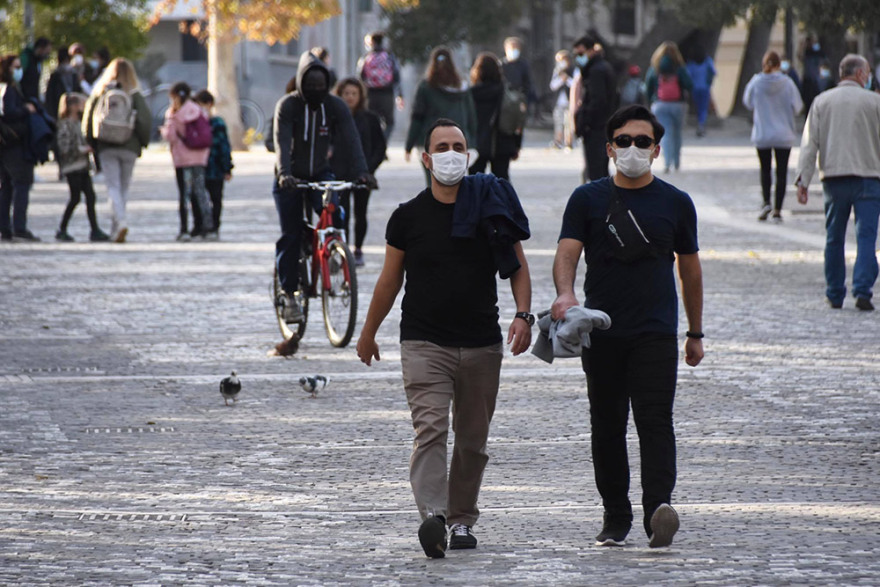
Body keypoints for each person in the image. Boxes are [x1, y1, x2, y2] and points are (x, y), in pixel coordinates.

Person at [356, 118, 533, 559]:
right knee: (431, 429)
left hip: (481, 343)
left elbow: (517, 264)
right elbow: (389, 280)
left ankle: (461, 520)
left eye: (458, 146)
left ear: (468, 156)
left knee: (472, 441)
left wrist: (523, 315)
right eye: (442, 147)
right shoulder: (407, 217)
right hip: (424, 343)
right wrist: (368, 331)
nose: (451, 154)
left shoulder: (490, 208)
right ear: (426, 158)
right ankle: (433, 518)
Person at [552, 104, 704, 549]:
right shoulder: (586, 199)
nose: (632, 148)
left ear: (656, 150)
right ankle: (615, 516)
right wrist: (565, 293)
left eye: (642, 141)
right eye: (624, 141)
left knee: (656, 422)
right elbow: (567, 252)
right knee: (607, 426)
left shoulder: (676, 202)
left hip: (656, 332)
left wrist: (695, 333)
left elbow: (690, 270)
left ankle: (659, 510)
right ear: (609, 148)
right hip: (602, 332)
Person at [272, 51, 372, 355]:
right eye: (310, 85)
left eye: (321, 85)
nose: (316, 89)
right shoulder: (288, 105)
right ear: (301, 83)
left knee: (335, 211)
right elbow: (281, 141)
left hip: (320, 172)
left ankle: (333, 253)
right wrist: (284, 173)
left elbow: (352, 140)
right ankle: (290, 292)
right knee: (291, 234)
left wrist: (363, 172)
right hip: (290, 175)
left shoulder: (335, 105)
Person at [795, 54, 880, 312]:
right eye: (867, 72)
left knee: (834, 237)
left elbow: (809, 144)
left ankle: (834, 292)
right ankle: (862, 289)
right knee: (866, 237)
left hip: (834, 178)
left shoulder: (822, 101)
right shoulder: (875, 102)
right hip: (869, 177)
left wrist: (803, 180)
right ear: (860, 74)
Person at [82, 57, 152, 243]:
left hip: (106, 145)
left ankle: (119, 223)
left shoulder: (101, 92)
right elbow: (144, 120)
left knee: (112, 187)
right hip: (129, 146)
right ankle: (119, 224)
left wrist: (91, 142)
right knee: (123, 188)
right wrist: (142, 142)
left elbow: (88, 117)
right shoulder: (134, 94)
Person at [331, 77, 386, 266]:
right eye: (346, 93)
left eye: (354, 93)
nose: (350, 97)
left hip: (363, 174)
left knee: (360, 213)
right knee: (341, 213)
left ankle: (359, 249)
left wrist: (369, 168)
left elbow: (380, 147)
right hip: (339, 174)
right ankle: (343, 249)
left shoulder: (370, 119)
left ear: (361, 96)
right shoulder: (333, 118)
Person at [743, 50, 803, 222]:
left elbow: (747, 102)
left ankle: (766, 202)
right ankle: (777, 209)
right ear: (779, 64)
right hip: (784, 134)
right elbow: (798, 106)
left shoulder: (756, 82)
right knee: (781, 172)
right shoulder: (788, 83)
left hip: (763, 134)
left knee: (765, 169)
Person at [405, 46, 477, 186]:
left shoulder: (425, 87)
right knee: (456, 183)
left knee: (433, 183)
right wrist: (472, 142)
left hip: (430, 141)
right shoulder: (462, 88)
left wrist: (409, 145)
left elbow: (417, 117)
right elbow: (471, 117)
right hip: (458, 142)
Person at [161, 82, 215, 241]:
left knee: (184, 194)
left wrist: (163, 131)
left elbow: (170, 136)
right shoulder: (198, 110)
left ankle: (184, 229)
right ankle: (207, 227)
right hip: (200, 157)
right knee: (200, 192)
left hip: (182, 159)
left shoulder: (174, 113)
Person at [53, 93, 109, 242]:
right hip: (72, 167)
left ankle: (94, 230)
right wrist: (81, 149)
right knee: (75, 198)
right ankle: (62, 229)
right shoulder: (65, 124)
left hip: (83, 166)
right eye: (79, 104)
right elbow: (64, 147)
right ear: (72, 106)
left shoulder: (80, 122)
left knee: (90, 196)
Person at [0, 54, 40, 242]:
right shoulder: (8, 89)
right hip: (13, 143)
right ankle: (19, 227)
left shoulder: (6, 88)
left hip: (6, 144)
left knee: (6, 186)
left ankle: (5, 227)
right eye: (15, 67)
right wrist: (26, 109)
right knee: (21, 184)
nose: (19, 70)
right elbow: (9, 112)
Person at [570, 35, 617, 182]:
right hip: (603, 124)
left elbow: (597, 100)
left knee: (596, 169)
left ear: (591, 50)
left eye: (581, 53)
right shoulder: (601, 67)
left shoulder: (596, 71)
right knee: (600, 168)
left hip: (596, 126)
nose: (579, 57)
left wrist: (585, 121)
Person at [468, 52, 519, 181]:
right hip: (502, 142)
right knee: (502, 182)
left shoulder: (471, 94)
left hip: (477, 143)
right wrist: (516, 145)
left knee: (475, 182)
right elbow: (516, 119)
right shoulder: (505, 92)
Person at [645, 41, 693, 173]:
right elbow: (689, 84)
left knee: (666, 134)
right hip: (678, 104)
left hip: (660, 104)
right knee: (677, 133)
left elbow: (648, 87)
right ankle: (676, 162)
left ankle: (667, 163)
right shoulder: (679, 68)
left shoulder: (655, 68)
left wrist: (650, 101)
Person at [194, 90, 233, 239]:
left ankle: (214, 227)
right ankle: (200, 227)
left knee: (216, 199)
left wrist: (227, 168)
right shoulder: (194, 122)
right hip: (199, 167)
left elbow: (224, 146)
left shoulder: (217, 123)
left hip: (215, 168)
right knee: (197, 199)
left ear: (209, 104)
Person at [358, 32, 403, 140]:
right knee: (390, 122)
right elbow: (396, 75)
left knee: (372, 121)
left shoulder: (366, 57)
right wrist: (400, 94)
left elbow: (361, 76)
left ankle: (376, 143)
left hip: (370, 94)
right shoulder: (389, 56)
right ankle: (383, 141)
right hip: (387, 93)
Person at [685, 45, 716, 137]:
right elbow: (713, 72)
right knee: (703, 108)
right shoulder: (707, 61)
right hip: (705, 88)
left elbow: (688, 75)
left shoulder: (691, 63)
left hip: (694, 88)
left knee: (698, 107)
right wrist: (709, 81)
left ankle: (699, 123)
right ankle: (701, 125)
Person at [501, 37, 536, 113]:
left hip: (520, 100)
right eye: (512, 48)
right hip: (504, 101)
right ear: (506, 49)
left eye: (516, 48)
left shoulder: (524, 64)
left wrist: (524, 100)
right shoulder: (501, 65)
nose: (514, 50)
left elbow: (528, 83)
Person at [549, 50, 574, 149]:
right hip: (558, 101)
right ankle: (558, 141)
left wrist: (567, 79)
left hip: (570, 101)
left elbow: (575, 85)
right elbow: (552, 86)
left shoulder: (574, 70)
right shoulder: (557, 71)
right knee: (558, 121)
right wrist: (561, 79)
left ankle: (569, 142)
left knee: (569, 122)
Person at [19, 37, 52, 103]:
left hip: (34, 98)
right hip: (24, 99)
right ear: (40, 48)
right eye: (46, 52)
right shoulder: (26, 57)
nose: (47, 54)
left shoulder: (38, 61)